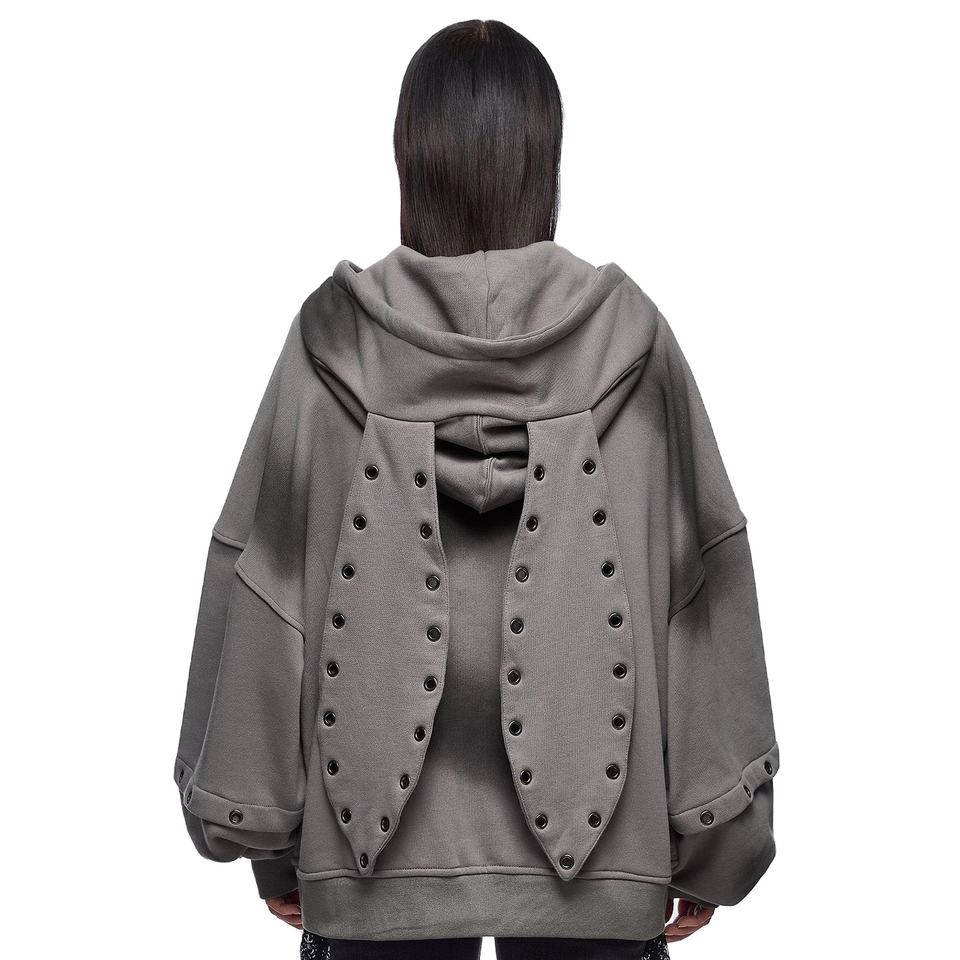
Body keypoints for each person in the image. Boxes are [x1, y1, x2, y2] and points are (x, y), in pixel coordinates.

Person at [174, 19, 778, 960]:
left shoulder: (332, 341)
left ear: (411, 158)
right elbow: (700, 591)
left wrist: (267, 840)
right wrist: (716, 845)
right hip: (603, 870)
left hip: (370, 869)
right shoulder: (632, 339)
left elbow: (267, 585)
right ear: (546, 159)